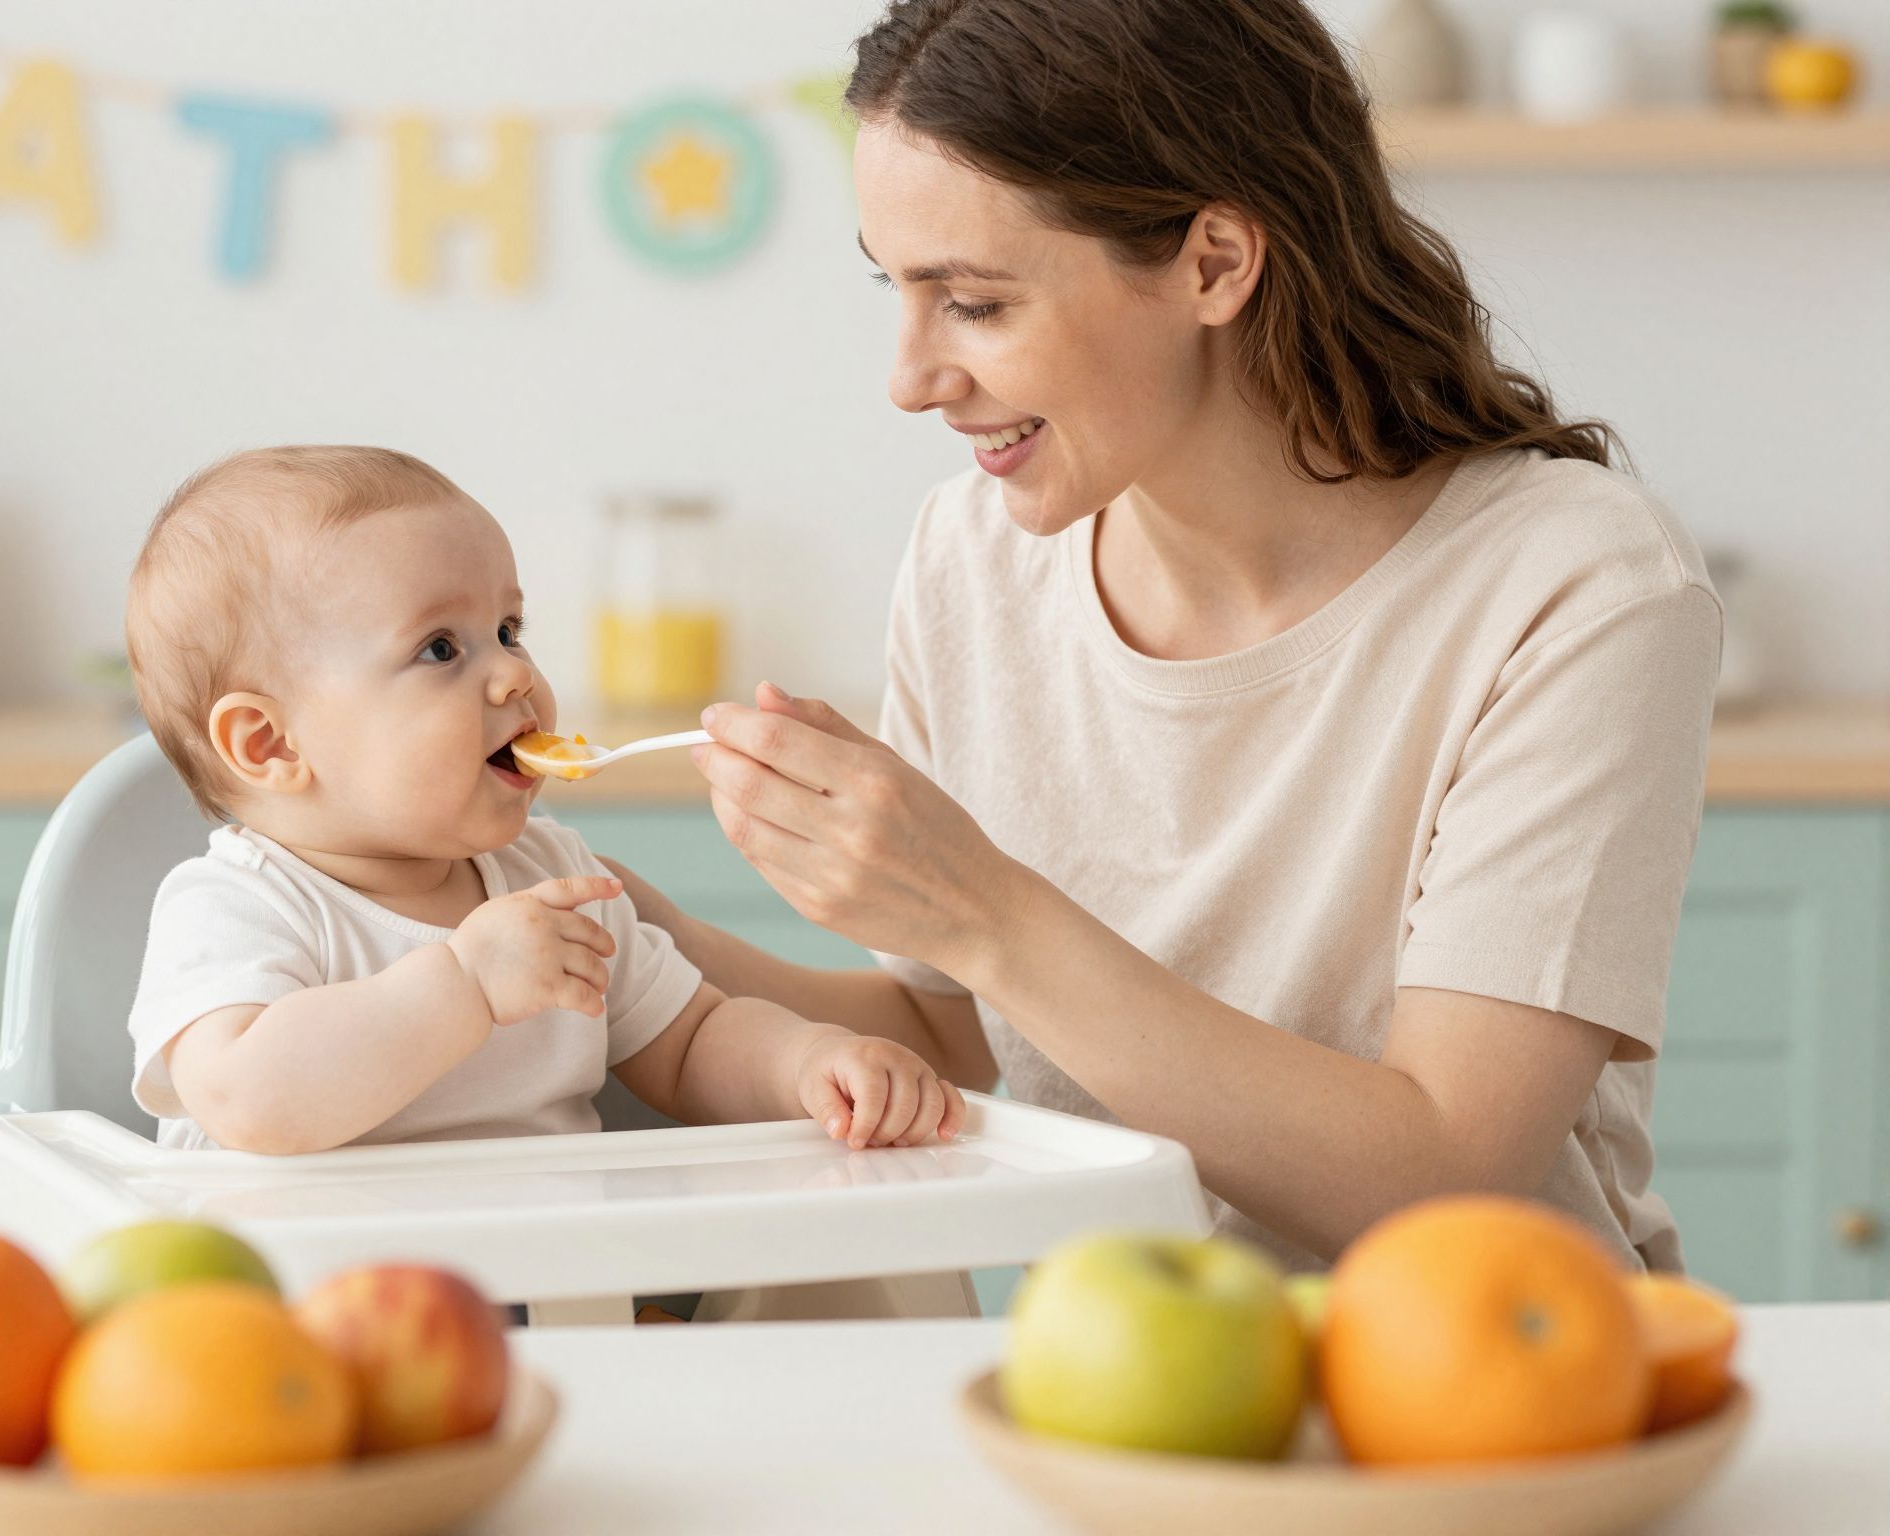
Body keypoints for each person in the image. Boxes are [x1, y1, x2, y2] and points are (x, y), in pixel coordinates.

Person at [610, 0, 1721, 1272]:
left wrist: (981, 909)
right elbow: (958, 1039)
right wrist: (642, 943)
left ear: (1212, 263)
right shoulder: (971, 558)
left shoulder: (1574, 585)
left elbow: (1446, 1178)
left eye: (972, 302)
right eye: (895, 289)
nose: (909, 379)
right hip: (1127, 1366)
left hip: (1486, 1366)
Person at [120, 444, 964, 1158]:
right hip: (305, 1295)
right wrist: (464, 983)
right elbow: (248, 1102)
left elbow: (692, 1041)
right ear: (270, 745)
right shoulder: (237, 907)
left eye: (509, 631)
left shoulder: (552, 878)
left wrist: (808, 1063)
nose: (515, 673)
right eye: (440, 648)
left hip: (551, 1278)